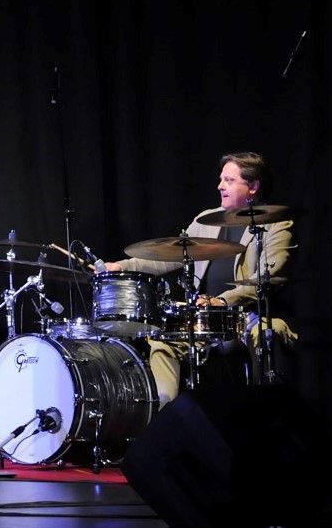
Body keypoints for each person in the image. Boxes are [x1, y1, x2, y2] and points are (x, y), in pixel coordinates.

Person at [104, 151, 296, 407]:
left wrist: (222, 301)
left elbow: (269, 277)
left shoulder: (276, 224)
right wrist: (120, 266)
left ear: (253, 187)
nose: (220, 186)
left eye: (229, 180)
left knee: (265, 334)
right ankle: (165, 413)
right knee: (162, 341)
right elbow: (168, 256)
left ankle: (264, 411)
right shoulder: (207, 221)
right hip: (204, 320)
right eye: (221, 179)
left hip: (249, 317)